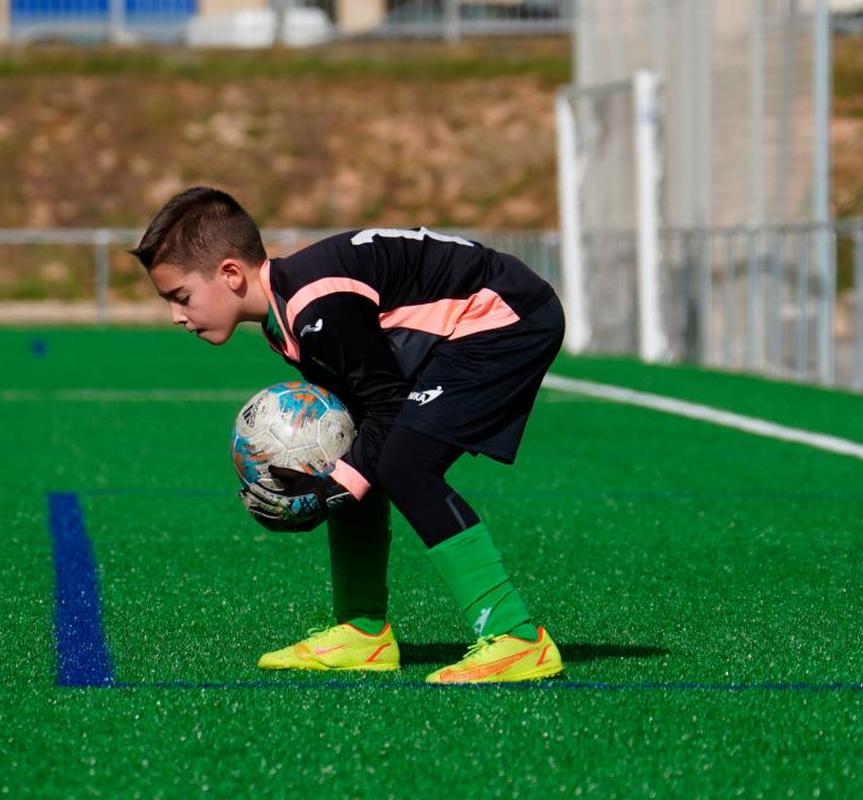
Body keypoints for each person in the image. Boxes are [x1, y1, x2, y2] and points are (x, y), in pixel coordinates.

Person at [130, 187, 566, 684]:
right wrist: (332, 482)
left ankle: (517, 638)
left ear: (230, 274)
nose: (175, 315)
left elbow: (387, 405)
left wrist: (327, 490)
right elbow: (366, 428)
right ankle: (362, 632)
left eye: (180, 297)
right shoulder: (288, 313)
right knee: (356, 453)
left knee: (405, 466)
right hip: (480, 318)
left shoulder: (319, 305)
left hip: (505, 318)